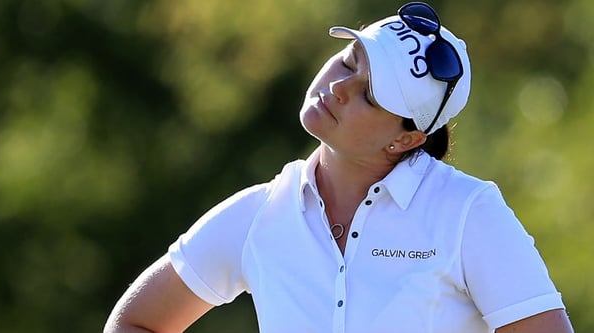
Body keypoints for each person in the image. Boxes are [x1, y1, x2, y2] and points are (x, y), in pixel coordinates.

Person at [104, 2, 574, 333]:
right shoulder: (261, 212)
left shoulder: (469, 213)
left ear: (406, 139)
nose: (339, 87)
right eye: (350, 60)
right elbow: (136, 322)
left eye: (369, 95)